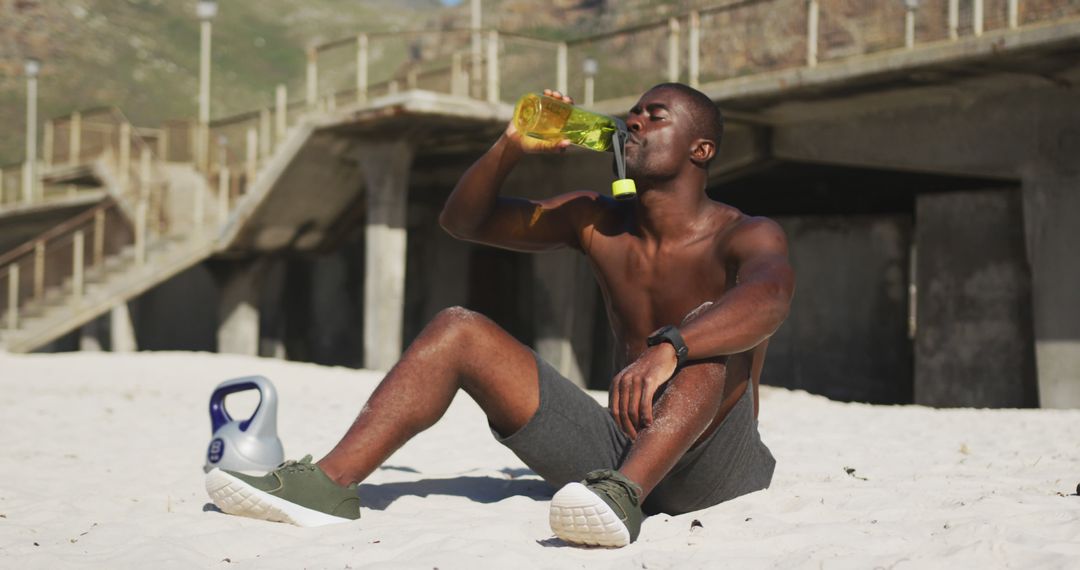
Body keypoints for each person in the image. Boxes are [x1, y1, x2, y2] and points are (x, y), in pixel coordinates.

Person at [206, 83, 795, 548]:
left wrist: (672, 347)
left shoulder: (743, 233)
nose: (632, 122)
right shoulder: (597, 220)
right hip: (617, 454)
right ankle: (327, 485)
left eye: (656, 115)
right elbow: (463, 222)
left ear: (702, 150)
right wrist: (512, 146)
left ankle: (623, 493)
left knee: (715, 331)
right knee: (458, 328)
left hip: (717, 469)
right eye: (632, 113)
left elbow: (769, 297)